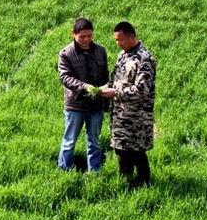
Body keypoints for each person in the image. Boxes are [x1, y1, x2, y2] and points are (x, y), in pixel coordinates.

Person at [101, 21, 157, 187]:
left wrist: (115, 93)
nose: (118, 43)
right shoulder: (123, 55)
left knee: (136, 151)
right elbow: (115, 79)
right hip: (120, 113)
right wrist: (104, 88)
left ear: (132, 36)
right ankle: (125, 179)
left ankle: (144, 182)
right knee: (120, 149)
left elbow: (142, 89)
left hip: (137, 116)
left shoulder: (145, 59)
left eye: (121, 40)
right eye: (116, 40)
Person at [57, 17, 109, 173]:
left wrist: (105, 94)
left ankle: (95, 172)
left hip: (96, 106)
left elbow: (105, 76)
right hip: (75, 105)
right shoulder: (66, 54)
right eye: (82, 36)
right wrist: (86, 87)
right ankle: (65, 170)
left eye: (89, 36)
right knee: (69, 141)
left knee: (94, 142)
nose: (86, 40)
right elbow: (65, 78)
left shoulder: (100, 51)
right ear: (73, 34)